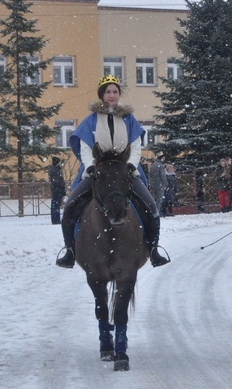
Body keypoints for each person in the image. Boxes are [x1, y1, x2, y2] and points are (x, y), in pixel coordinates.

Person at [55, 74, 170, 268]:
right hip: (97, 172)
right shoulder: (91, 120)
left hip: (125, 171)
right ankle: (70, 251)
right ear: (102, 95)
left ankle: (153, 249)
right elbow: (85, 146)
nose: (112, 95)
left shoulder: (128, 119)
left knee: (151, 208)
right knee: (70, 208)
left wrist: (131, 165)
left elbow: (135, 145)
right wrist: (91, 166)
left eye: (115, 92)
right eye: (108, 92)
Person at [48, 156, 66, 225]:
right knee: (56, 205)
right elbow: (58, 181)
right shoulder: (55, 170)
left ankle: (55, 219)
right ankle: (56, 219)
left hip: (56, 190)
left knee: (55, 205)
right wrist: (61, 187)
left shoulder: (53, 169)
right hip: (57, 190)